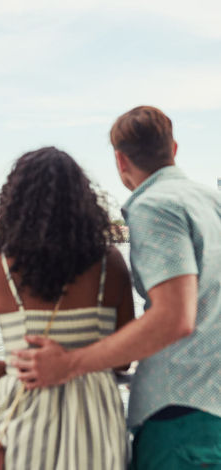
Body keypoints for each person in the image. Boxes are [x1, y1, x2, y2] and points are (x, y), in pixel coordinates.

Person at [14, 107, 221, 468]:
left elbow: (175, 317)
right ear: (173, 149)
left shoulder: (156, 206)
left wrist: (68, 365)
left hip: (181, 414)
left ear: (121, 160)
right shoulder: (212, 202)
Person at [0, 147, 134, 469]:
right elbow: (123, 359)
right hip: (99, 426)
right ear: (82, 201)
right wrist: (78, 368)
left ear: (14, 200)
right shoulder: (110, 263)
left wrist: (27, 368)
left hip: (27, 426)